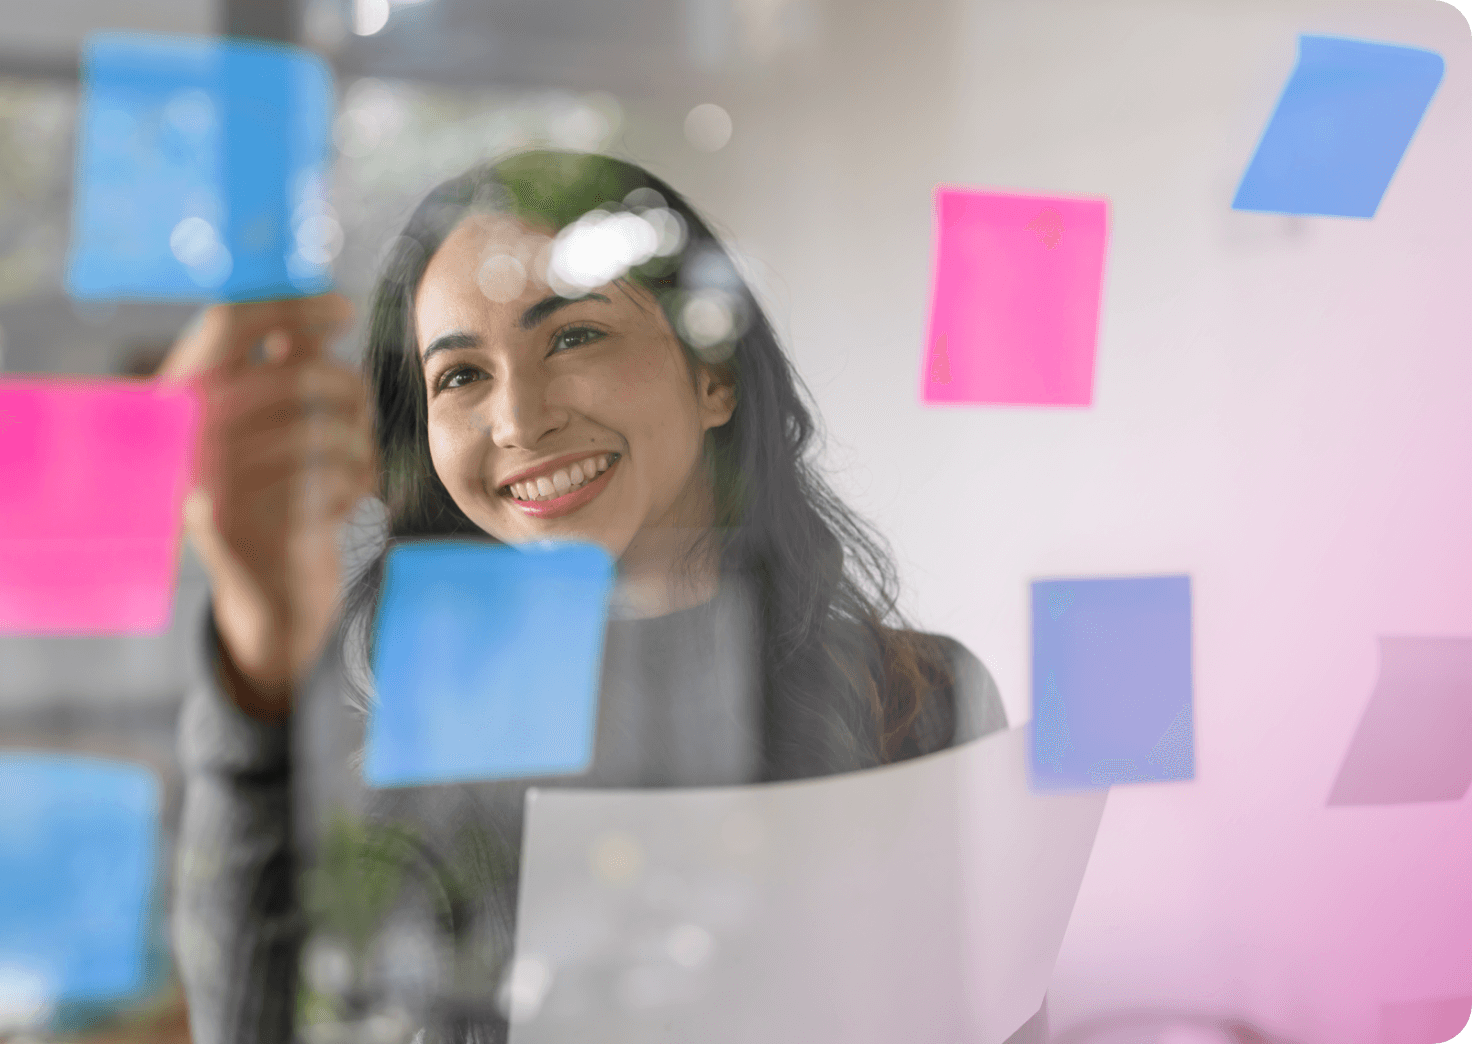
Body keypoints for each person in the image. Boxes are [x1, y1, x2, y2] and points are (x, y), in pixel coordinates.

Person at [166, 151, 1023, 1044]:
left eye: (573, 336)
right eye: (461, 376)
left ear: (714, 376)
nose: (520, 420)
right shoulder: (378, 755)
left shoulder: (921, 698)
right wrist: (260, 659)